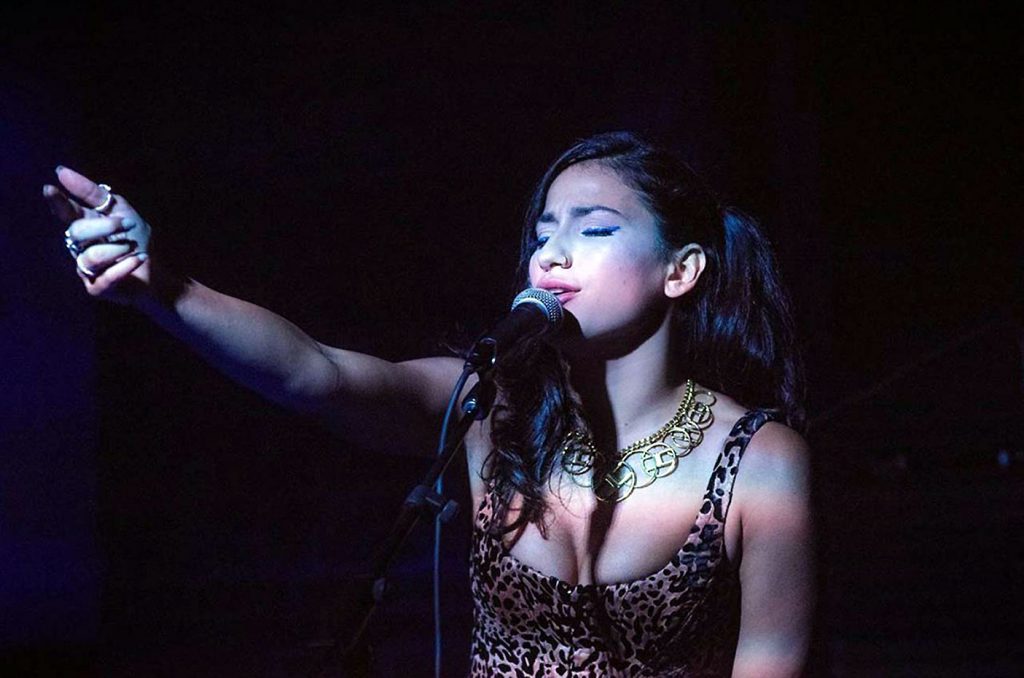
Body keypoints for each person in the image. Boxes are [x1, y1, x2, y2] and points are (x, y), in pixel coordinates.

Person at [46, 131, 813, 677]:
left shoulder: (758, 461)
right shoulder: (489, 408)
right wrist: (165, 288)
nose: (551, 253)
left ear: (680, 271)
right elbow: (316, 374)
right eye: (543, 233)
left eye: (597, 229)